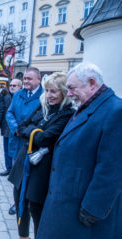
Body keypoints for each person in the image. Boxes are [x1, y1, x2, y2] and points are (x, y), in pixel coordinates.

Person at [37, 63, 122, 239]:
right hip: (67, 202)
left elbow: (112, 168)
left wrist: (93, 209)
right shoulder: (89, 106)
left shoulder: (116, 111)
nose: (69, 94)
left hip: (84, 213)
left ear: (91, 83)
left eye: (71, 88)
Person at [8, 72, 75, 239]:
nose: (49, 95)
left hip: (42, 167)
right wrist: (34, 132)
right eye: (47, 91)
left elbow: (43, 138)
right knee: (19, 200)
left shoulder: (67, 113)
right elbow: (22, 126)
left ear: (64, 92)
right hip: (24, 161)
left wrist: (32, 131)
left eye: (53, 91)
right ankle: (23, 236)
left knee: (36, 207)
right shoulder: (43, 105)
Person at [6, 68, 43, 215]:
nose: (26, 81)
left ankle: (27, 202)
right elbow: (9, 113)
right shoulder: (18, 94)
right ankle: (17, 202)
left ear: (39, 80)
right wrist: (15, 128)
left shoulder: (44, 96)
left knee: (31, 175)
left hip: (32, 142)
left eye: (30, 79)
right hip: (17, 140)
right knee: (17, 174)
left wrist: (27, 132)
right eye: (25, 78)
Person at [0, 79, 22, 177]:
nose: (12, 87)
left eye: (14, 85)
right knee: (6, 150)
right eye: (11, 85)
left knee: (16, 150)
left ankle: (15, 170)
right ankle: (9, 168)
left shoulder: (21, 97)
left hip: (17, 130)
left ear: (20, 87)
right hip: (6, 128)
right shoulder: (6, 97)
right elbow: (2, 111)